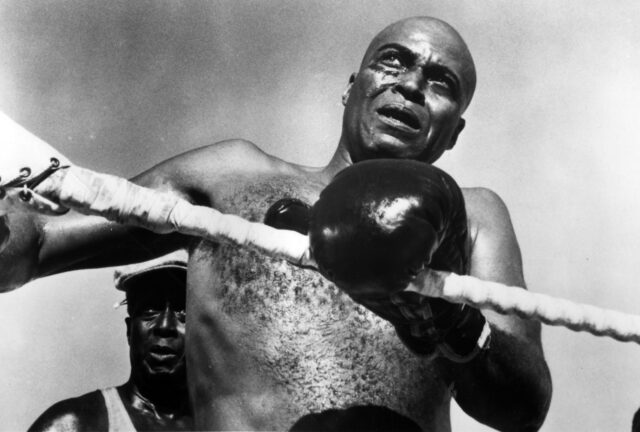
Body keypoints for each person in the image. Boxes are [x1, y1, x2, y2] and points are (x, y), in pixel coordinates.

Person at [1, 16, 552, 431]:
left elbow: (524, 406)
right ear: (352, 85)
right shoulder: (230, 178)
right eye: (393, 61)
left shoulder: (477, 215)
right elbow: (37, 244)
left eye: (440, 81)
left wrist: (448, 323)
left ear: (455, 130)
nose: (410, 84)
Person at [28, 252, 193, 432]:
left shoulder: (223, 423)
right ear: (129, 330)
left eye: (183, 312)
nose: (164, 326)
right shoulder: (70, 426)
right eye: (150, 309)